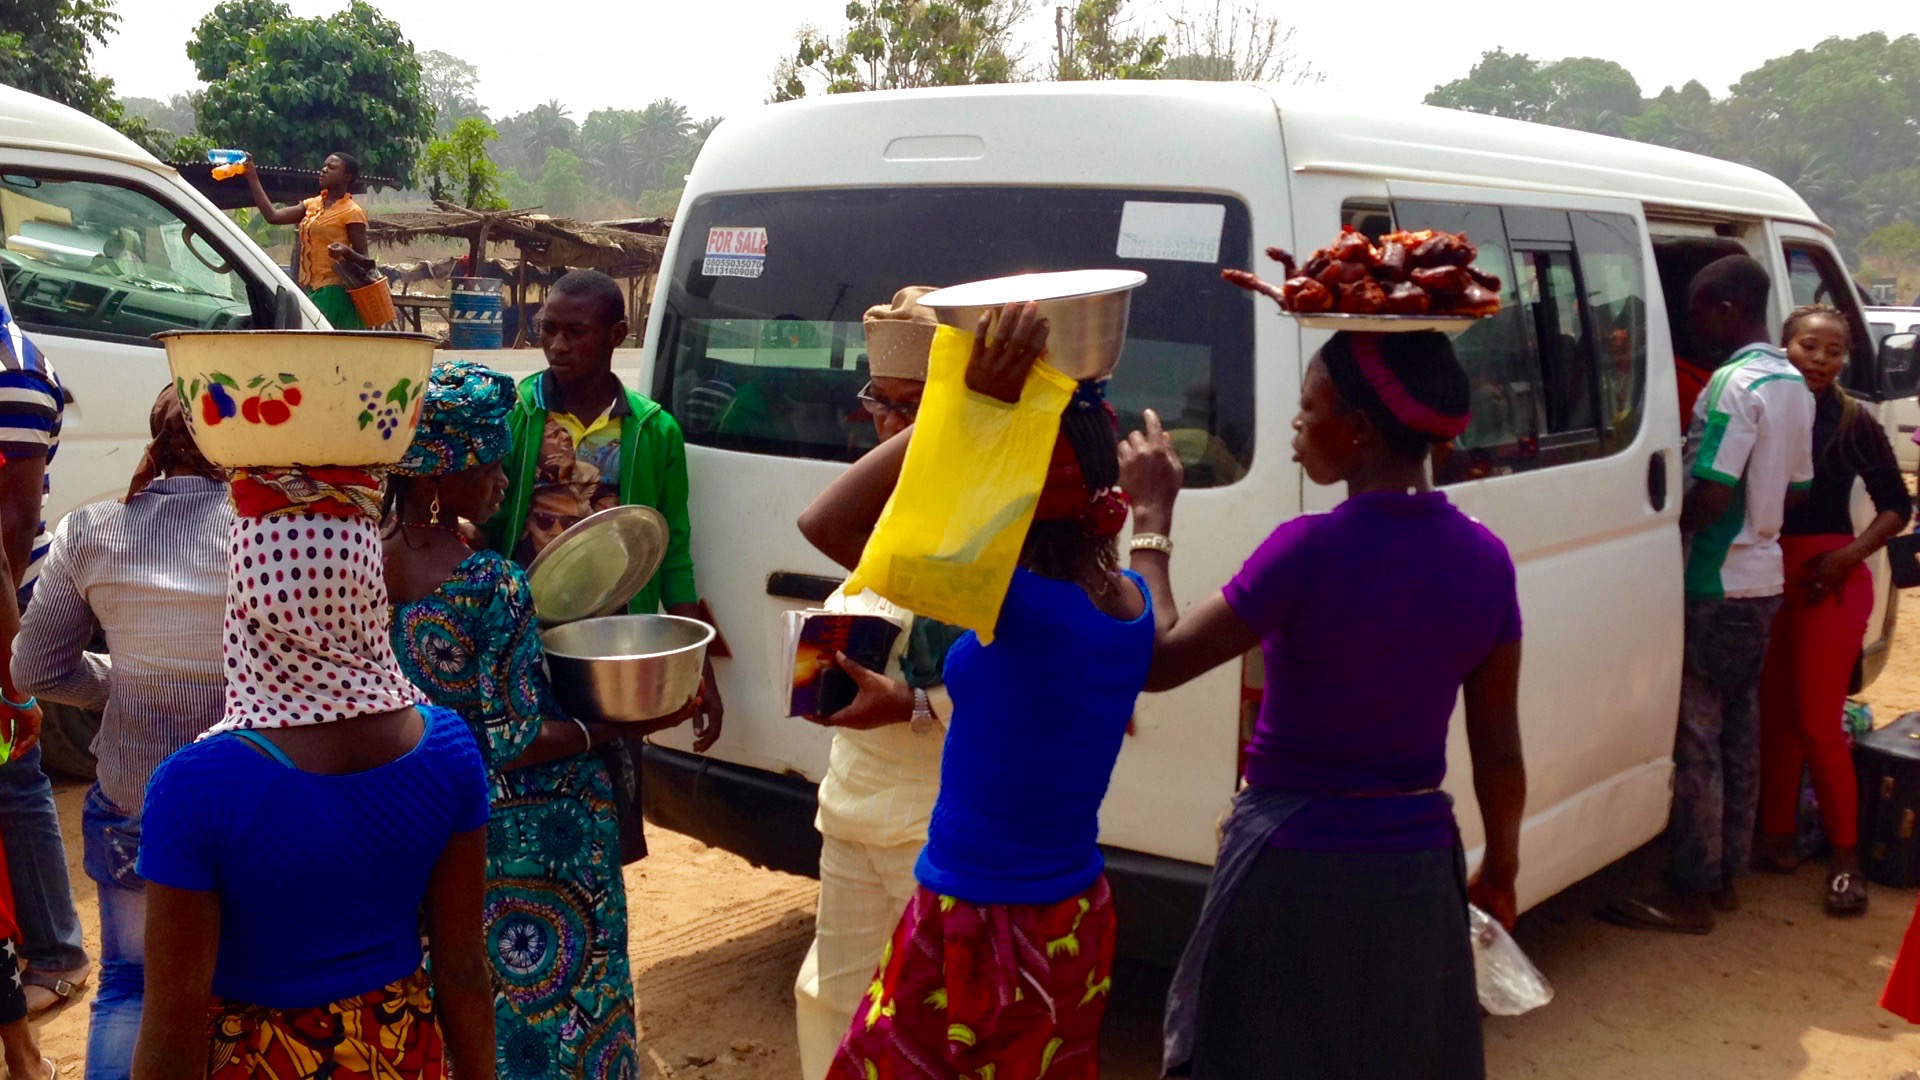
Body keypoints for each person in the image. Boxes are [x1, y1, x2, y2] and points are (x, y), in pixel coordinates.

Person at [1118, 330, 1525, 1078]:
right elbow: (1498, 746)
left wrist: (1151, 521)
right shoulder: (1486, 558)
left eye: (1309, 408)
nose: (1297, 427)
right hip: (1417, 871)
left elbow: (1158, 660)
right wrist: (1500, 869)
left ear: (1360, 428)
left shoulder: (1306, 550)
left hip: (1294, 869)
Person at [799, 302, 1151, 1078]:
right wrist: (1155, 511)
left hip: (977, 911)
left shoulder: (1007, 607)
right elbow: (1148, 564)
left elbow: (824, 523)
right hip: (1072, 911)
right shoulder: (1127, 601)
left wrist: (958, 407)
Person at [130, 468, 497, 1080]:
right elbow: (461, 969)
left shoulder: (194, 788)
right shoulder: (448, 749)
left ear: (248, 594)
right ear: (365, 589)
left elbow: (172, 1022)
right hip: (398, 1053)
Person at [385, 360, 696, 1078]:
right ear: (436, 478)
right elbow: (515, 740)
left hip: (431, 820)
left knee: (460, 994)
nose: (502, 483)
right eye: (488, 468)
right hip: (533, 837)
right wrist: (615, 728)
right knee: (560, 1009)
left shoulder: (370, 562)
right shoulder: (491, 582)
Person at [11, 388, 228, 1080]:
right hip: (242, 797)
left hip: (134, 799)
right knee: (239, 985)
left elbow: (34, 666)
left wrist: (122, 680)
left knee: (132, 985)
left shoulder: (91, 529)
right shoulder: (268, 533)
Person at [1600, 254, 1815, 935]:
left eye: (1697, 314)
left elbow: (1714, 487)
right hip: (1764, 578)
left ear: (1726, 309)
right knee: (1740, 729)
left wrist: (1667, 527)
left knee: (1697, 735)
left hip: (1714, 579)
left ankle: (1693, 887)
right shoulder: (1793, 382)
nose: (1693, 329)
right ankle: (1729, 873)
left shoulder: (1731, 383)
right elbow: (1800, 488)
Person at [791, 287, 964, 1080]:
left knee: (931, 1019)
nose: (889, 424)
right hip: (851, 807)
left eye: (912, 407)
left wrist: (917, 706)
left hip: (932, 823)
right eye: (880, 404)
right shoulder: (884, 511)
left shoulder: (984, 519)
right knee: (834, 999)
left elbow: (1009, 683)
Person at [485, 269, 722, 752]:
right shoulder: (517, 413)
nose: (557, 346)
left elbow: (672, 554)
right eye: (547, 329)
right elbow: (488, 525)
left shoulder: (654, 432)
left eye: (576, 333)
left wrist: (701, 671)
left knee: (621, 773)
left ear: (617, 334)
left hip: (614, 647)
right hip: (521, 634)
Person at [1752, 304, 1911, 916]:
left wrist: (1849, 557)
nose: (1820, 359)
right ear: (1784, 346)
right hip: (1765, 574)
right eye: (1808, 347)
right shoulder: (1758, 405)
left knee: (1819, 723)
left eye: (1833, 350)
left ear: (1845, 358)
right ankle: (1778, 838)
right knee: (1775, 715)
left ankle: (1847, 860)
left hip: (1830, 579)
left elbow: (1898, 505)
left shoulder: (1852, 420)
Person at [0, 294, 87, 1017]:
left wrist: (8, 663)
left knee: (16, 772)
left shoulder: (14, 371)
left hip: (3, 602)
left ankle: (58, 950)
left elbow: (12, 522)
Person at [243, 151, 376, 329]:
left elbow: (366, 262)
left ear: (347, 177)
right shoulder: (312, 205)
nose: (323, 170)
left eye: (331, 167)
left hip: (335, 293)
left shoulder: (352, 212)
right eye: (324, 166)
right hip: (310, 290)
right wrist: (252, 177)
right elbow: (273, 216)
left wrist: (345, 251)